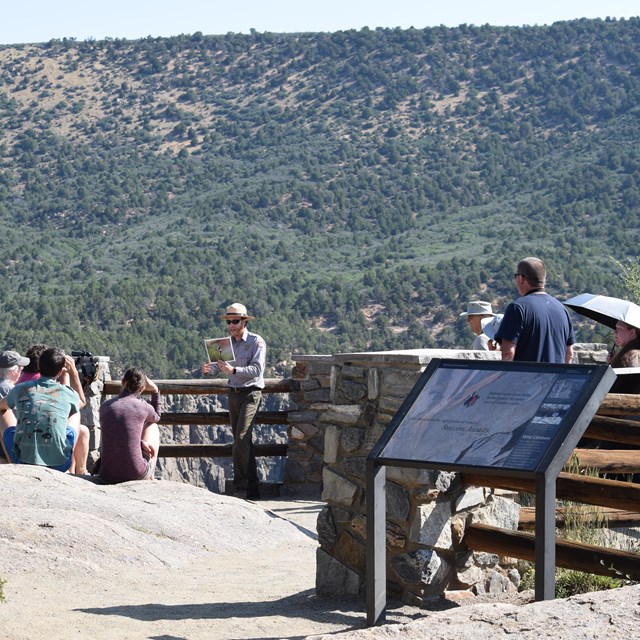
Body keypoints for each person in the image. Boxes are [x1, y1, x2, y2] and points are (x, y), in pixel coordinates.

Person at [201, 303, 266, 500]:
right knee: (244, 441)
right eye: (228, 321)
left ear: (244, 321)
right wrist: (209, 369)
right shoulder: (224, 344)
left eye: (235, 321)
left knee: (241, 439)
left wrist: (233, 371)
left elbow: (257, 370)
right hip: (234, 393)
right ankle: (253, 488)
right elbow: (218, 368)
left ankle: (240, 488)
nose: (231, 324)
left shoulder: (256, 342)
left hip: (251, 393)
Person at [0, 347, 90, 473]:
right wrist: (73, 373)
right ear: (59, 372)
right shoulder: (66, 393)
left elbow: (1, 406)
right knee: (75, 413)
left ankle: (14, 465)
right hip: (60, 464)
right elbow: (82, 402)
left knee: (2, 413)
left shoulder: (19, 389)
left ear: (38, 365)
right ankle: (79, 471)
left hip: (22, 460)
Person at [494, 257, 575, 363]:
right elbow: (569, 354)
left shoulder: (517, 308)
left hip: (525, 378)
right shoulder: (562, 310)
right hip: (554, 378)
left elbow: (508, 354)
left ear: (521, 279)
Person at [98, 367, 161, 484]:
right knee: (153, 426)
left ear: (123, 382)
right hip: (135, 473)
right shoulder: (143, 406)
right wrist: (155, 391)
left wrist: (140, 443)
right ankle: (150, 475)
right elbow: (156, 417)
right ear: (142, 388)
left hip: (106, 474)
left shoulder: (105, 406)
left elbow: (117, 432)